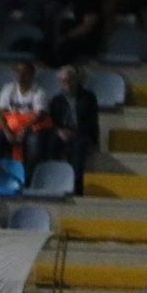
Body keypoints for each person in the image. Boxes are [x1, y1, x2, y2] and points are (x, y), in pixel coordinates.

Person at [0, 60, 53, 179]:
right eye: (18, 72)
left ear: (31, 74)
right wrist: (7, 132)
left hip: (31, 128)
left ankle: (28, 178)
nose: (20, 76)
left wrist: (24, 131)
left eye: (25, 73)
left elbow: (41, 115)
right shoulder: (8, 88)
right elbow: (0, 113)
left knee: (34, 144)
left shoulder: (39, 91)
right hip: (10, 127)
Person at [47, 65, 99, 195]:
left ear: (76, 80)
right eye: (64, 81)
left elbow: (92, 122)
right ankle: (53, 179)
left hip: (82, 133)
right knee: (51, 142)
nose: (67, 83)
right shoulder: (56, 100)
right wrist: (59, 131)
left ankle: (76, 183)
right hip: (63, 132)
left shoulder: (88, 98)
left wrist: (75, 133)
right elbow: (51, 122)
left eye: (70, 80)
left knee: (78, 146)